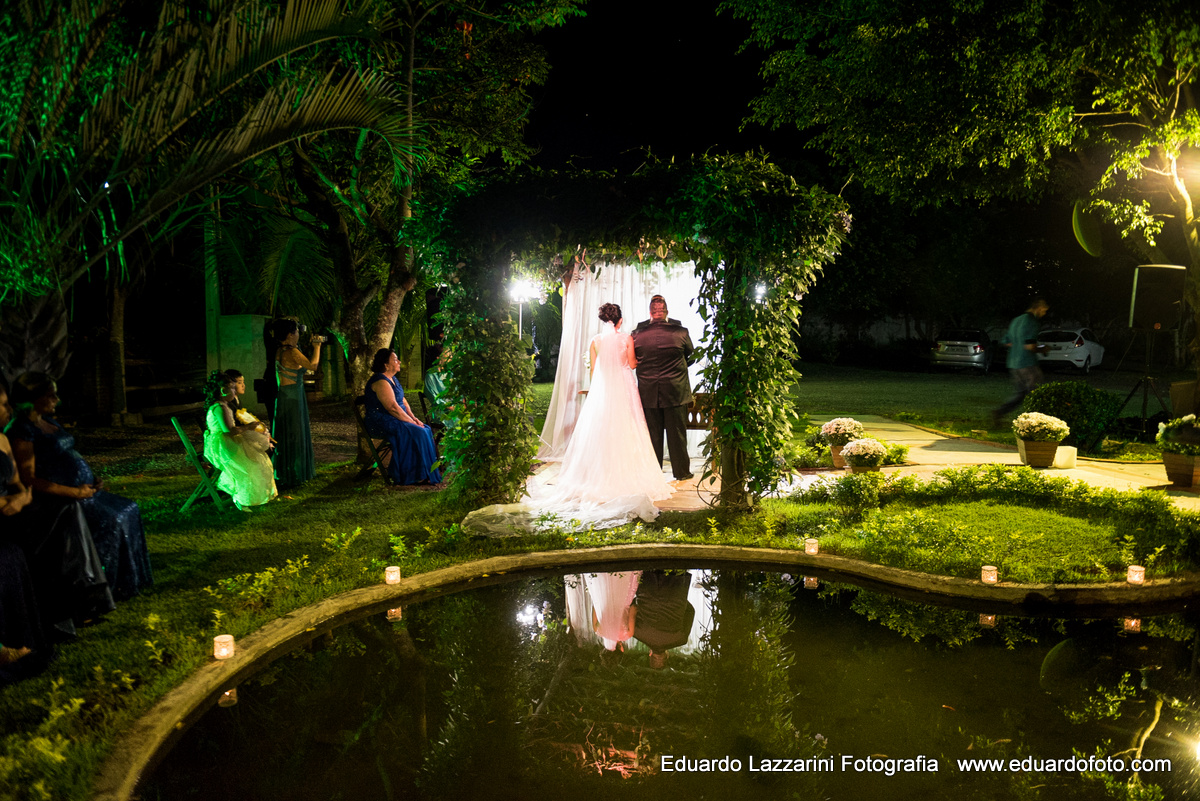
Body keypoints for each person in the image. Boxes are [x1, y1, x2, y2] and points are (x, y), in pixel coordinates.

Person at [461, 303, 673, 533]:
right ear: (620, 320)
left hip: (603, 390)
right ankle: (628, 474)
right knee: (627, 429)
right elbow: (631, 364)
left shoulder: (596, 341)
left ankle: (597, 476)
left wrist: (598, 388)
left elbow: (594, 370)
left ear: (603, 320)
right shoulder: (625, 339)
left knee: (600, 431)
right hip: (623, 388)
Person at [7, 372, 148, 601]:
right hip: (60, 500)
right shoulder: (22, 430)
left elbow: (68, 454)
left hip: (85, 491)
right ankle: (101, 589)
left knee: (129, 508)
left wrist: (92, 479)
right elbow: (29, 478)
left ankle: (127, 580)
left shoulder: (48, 421)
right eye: (51, 395)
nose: (57, 400)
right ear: (32, 398)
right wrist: (75, 492)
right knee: (112, 520)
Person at [631, 295, 696, 481]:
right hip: (676, 390)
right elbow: (690, 356)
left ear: (650, 313)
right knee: (677, 434)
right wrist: (677, 369)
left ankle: (653, 473)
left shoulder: (637, 335)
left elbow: (634, 359)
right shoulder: (681, 332)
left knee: (653, 435)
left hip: (648, 391)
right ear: (666, 312)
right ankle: (682, 472)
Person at [363, 348, 442, 485]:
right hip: (381, 420)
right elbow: (392, 407)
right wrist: (411, 422)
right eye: (395, 359)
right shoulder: (381, 381)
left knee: (425, 428)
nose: (399, 361)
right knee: (417, 431)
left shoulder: (393, 379)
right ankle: (411, 474)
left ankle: (424, 472)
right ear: (386, 365)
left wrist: (414, 419)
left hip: (395, 417)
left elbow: (403, 402)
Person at [202, 371, 277, 510]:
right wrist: (248, 427)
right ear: (223, 391)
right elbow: (229, 431)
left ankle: (246, 497)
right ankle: (240, 498)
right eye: (232, 388)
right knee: (248, 466)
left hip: (228, 441)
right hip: (222, 445)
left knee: (259, 460)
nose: (235, 390)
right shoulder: (220, 407)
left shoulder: (223, 405)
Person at [268, 319, 323, 489]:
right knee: (295, 434)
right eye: (297, 332)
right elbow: (313, 366)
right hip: (293, 398)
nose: (299, 335)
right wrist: (317, 347)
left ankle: (286, 471)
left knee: (285, 435)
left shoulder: (279, 350)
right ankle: (296, 474)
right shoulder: (291, 352)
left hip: (283, 397)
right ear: (291, 334)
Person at [992, 297, 1050, 423]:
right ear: (1039, 307)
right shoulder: (1032, 321)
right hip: (1027, 363)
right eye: (1044, 310)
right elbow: (1030, 346)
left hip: (1013, 363)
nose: (1044, 313)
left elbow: (1007, 342)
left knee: (1021, 394)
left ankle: (1000, 412)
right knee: (1036, 393)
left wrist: (1018, 344)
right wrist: (1043, 349)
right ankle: (1034, 422)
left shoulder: (1016, 321)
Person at [632, 569, 696, 669]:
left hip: (675, 586)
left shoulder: (681, 639)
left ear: (667, 655)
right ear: (650, 654)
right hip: (647, 584)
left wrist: (677, 601)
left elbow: (690, 611)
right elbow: (632, 608)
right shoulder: (637, 633)